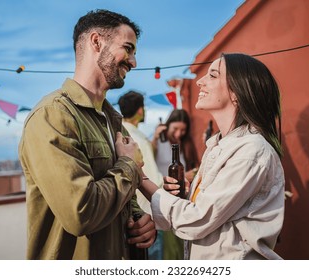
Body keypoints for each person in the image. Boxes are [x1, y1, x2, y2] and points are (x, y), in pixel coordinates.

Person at [18, 9, 156, 260]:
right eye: (128, 48)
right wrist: (128, 164)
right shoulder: (52, 116)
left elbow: (123, 196)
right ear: (96, 42)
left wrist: (140, 219)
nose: (134, 62)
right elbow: (80, 213)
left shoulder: (112, 121)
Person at [139, 53, 285, 259]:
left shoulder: (251, 151)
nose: (200, 81)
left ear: (236, 92)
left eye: (213, 75)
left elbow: (197, 219)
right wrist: (186, 196)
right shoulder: (218, 145)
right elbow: (211, 211)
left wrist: (139, 177)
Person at [118, 90, 164, 260]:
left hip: (128, 214)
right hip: (146, 217)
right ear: (140, 110)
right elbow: (154, 180)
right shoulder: (137, 139)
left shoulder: (121, 135)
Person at [151, 108, 200, 260]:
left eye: (183, 130)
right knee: (168, 251)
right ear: (167, 125)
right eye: (175, 129)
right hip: (161, 199)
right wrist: (154, 137)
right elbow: (148, 165)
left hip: (181, 200)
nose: (179, 133)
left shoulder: (185, 144)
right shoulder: (159, 140)